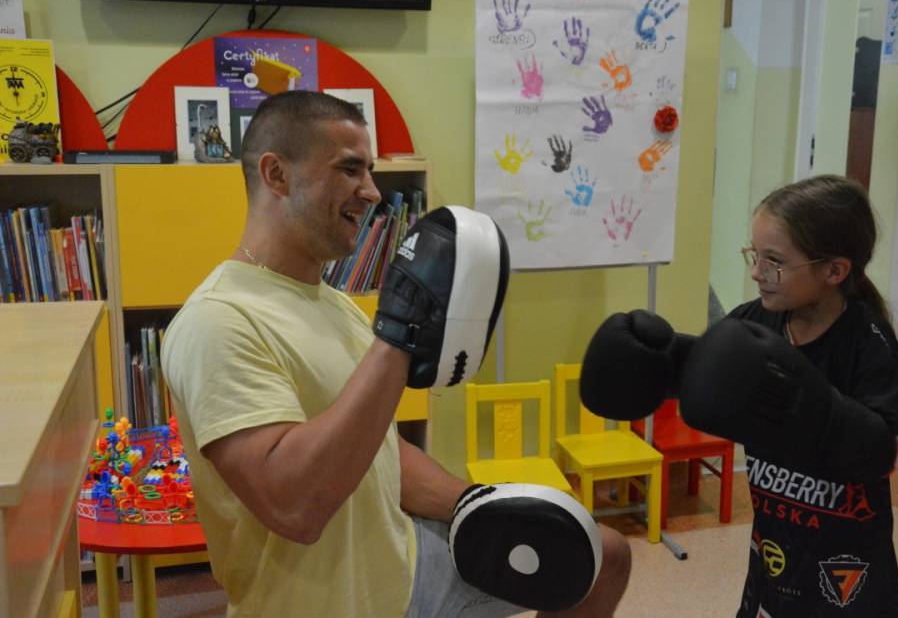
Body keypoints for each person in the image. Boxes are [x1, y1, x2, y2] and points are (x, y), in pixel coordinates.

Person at [160, 90, 631, 618]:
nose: (371, 192)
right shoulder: (219, 321)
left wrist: (477, 505)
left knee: (599, 556)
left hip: (405, 564)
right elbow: (294, 509)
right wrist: (397, 335)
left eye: (370, 171)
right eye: (350, 169)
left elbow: (379, 447)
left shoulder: (334, 303)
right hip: (325, 605)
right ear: (277, 175)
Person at [579, 175, 898, 616]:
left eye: (774, 261)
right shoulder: (754, 323)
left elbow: (883, 450)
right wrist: (661, 363)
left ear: (834, 271)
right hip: (773, 548)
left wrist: (805, 406)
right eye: (755, 255)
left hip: (848, 566)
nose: (757, 272)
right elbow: (714, 376)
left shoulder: (870, 346)